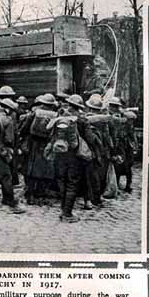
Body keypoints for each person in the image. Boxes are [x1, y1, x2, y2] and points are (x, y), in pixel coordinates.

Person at [48, 94, 95, 222]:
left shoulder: (60, 116)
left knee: (62, 181)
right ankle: (67, 214)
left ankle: (63, 209)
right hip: (75, 156)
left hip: (60, 154)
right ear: (79, 106)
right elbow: (90, 139)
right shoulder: (81, 119)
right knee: (72, 184)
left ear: (69, 103)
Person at [20, 93, 58, 205]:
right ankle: (40, 194)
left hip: (34, 144)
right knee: (45, 169)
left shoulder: (35, 113)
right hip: (47, 145)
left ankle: (30, 195)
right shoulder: (56, 115)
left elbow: (25, 128)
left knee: (31, 169)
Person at [85, 94, 113, 202]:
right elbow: (107, 136)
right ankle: (97, 197)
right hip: (101, 149)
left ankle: (88, 197)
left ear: (90, 107)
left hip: (88, 149)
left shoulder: (85, 119)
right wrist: (110, 148)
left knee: (88, 174)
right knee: (100, 173)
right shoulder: (105, 120)